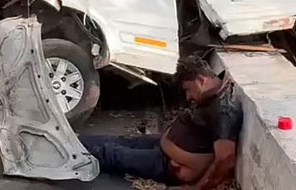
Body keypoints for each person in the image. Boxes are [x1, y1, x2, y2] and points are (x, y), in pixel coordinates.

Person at [80, 55, 242, 189]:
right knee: (115, 142)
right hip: (160, 147)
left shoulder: (224, 111)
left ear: (201, 80)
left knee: (109, 154)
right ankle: (67, 141)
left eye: (188, 90)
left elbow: (225, 160)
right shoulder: (211, 96)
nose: (188, 97)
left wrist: (197, 188)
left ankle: (59, 156)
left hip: (167, 164)